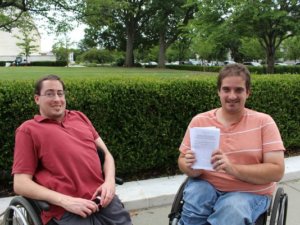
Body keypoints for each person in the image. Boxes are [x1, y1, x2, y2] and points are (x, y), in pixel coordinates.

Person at [12, 75, 132, 225]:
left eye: (60, 93)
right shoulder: (28, 130)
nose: (57, 99)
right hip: (66, 209)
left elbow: (107, 154)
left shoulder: (79, 117)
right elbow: (20, 183)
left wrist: (109, 182)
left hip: (103, 200)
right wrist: (66, 201)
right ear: (37, 99)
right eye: (49, 94)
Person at [178, 63, 285, 225]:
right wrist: (191, 167)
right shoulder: (200, 121)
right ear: (219, 92)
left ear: (248, 92)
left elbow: (276, 171)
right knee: (196, 199)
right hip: (206, 185)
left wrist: (232, 168)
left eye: (239, 90)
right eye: (226, 89)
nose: (232, 96)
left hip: (248, 192)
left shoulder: (264, 122)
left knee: (231, 210)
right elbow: (182, 160)